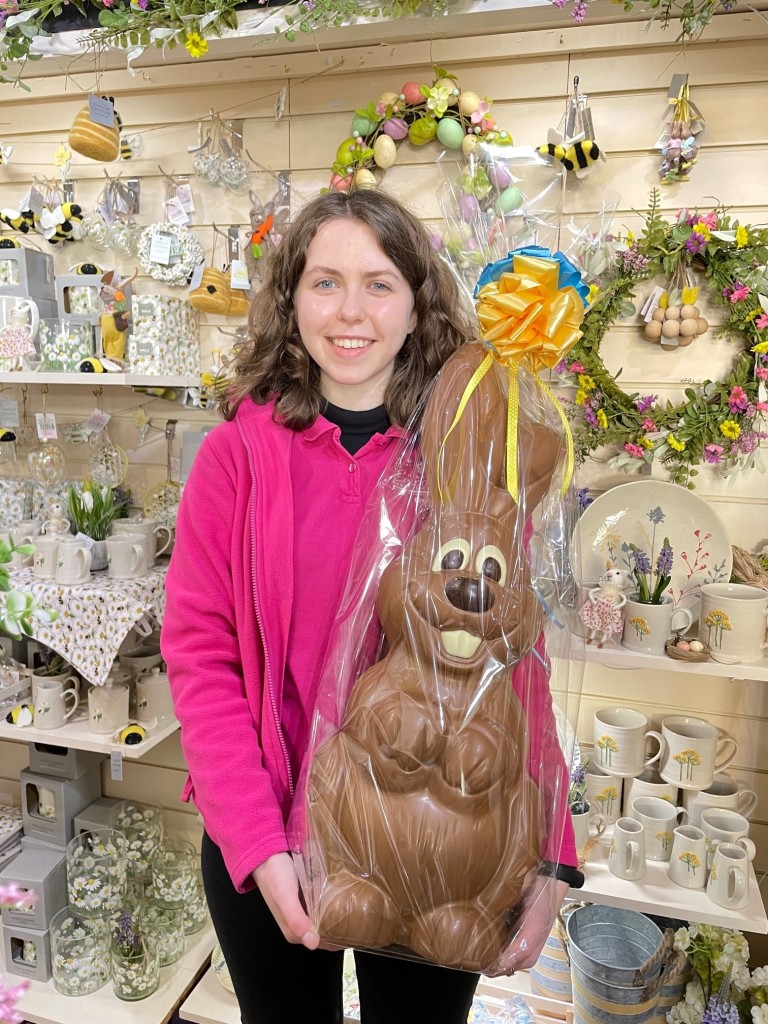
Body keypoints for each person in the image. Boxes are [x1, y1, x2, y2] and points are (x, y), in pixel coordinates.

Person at [162, 189, 580, 1024]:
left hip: (438, 843)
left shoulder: (465, 455)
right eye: (325, 282)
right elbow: (202, 662)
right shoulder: (235, 457)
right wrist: (257, 846)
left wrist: (550, 855)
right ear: (291, 299)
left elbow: (511, 658)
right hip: (271, 834)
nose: (350, 312)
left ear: (417, 303)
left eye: (379, 283)